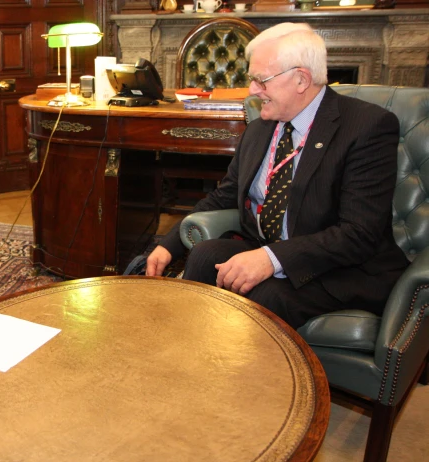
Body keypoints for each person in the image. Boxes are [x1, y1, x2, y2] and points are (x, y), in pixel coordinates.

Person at [146, 23, 408, 329]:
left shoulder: (367, 127)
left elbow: (358, 234)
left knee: (266, 295)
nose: (252, 91)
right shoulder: (261, 128)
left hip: (341, 267)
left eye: (261, 80)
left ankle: (251, 374)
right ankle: (194, 354)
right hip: (271, 247)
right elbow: (225, 196)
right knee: (204, 257)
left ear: (301, 79)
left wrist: (271, 258)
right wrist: (169, 244)